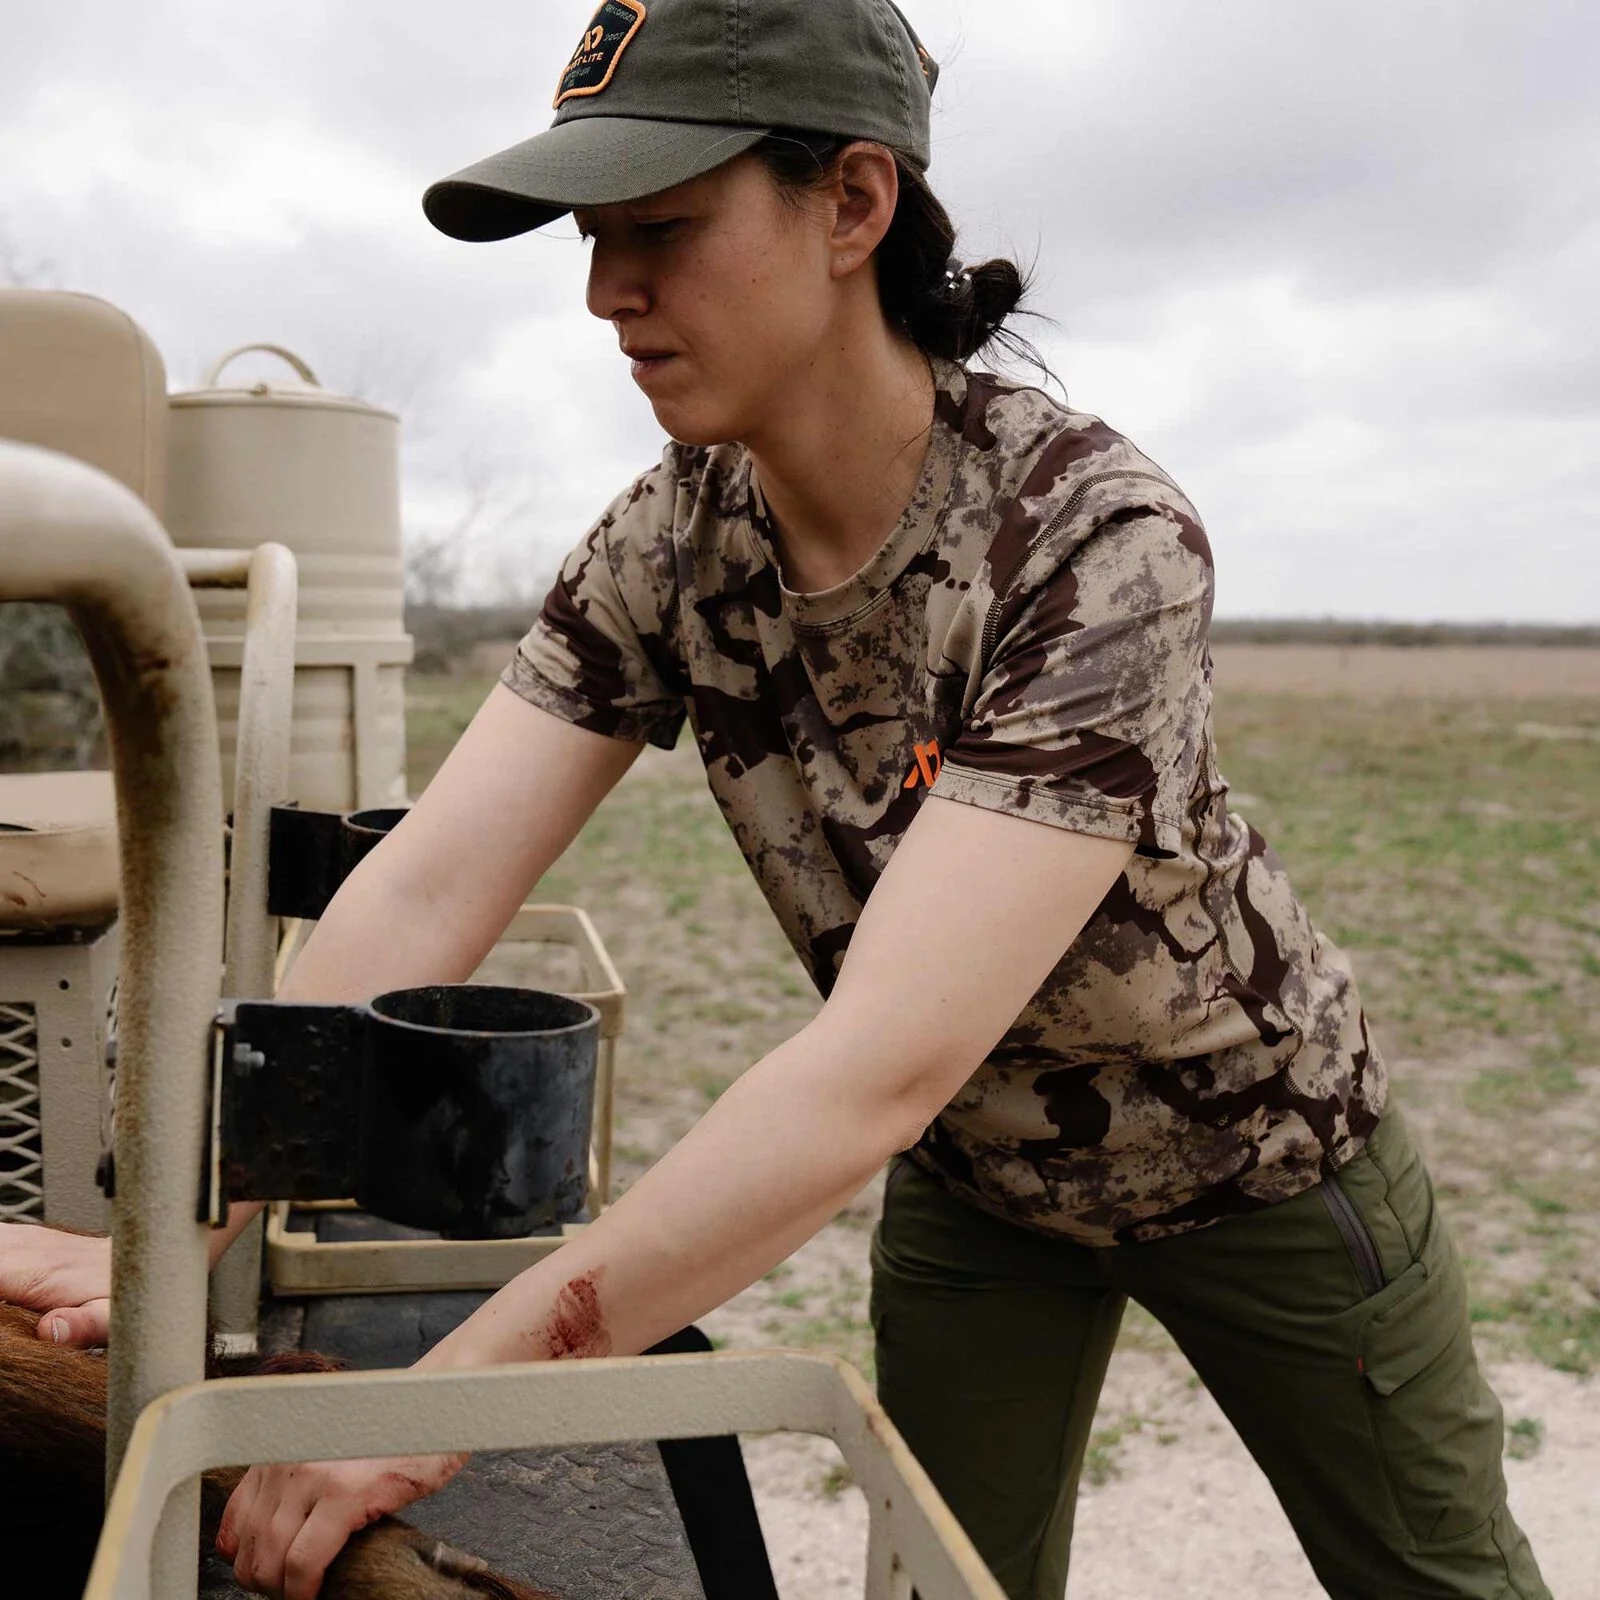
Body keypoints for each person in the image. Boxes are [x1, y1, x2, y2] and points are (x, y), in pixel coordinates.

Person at [0, 3, 1550, 1598]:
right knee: (944, 1577)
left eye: (662, 230)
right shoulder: (669, 544)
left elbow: (870, 1068)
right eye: (597, 242)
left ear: (855, 207)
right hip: (981, 1184)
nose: (607, 294)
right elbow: (421, 890)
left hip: (1254, 1164)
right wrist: (182, 1216)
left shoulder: (1096, 544)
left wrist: (430, 1409)